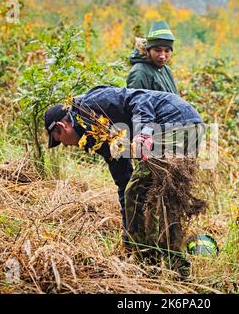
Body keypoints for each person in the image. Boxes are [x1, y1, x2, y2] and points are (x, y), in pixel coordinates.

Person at [44, 85, 205, 278]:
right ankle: (167, 268)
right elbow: (123, 181)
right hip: (185, 126)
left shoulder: (90, 104)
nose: (67, 145)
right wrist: (128, 234)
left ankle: (149, 264)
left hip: (176, 121)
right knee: (161, 197)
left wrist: (144, 133)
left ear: (62, 127)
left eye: (60, 140)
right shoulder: (98, 138)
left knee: (140, 194)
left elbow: (140, 99)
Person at [126, 21, 178, 94]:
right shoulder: (140, 72)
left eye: (167, 51)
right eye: (157, 50)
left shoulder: (166, 70)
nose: (162, 56)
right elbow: (136, 103)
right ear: (148, 50)